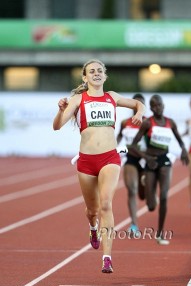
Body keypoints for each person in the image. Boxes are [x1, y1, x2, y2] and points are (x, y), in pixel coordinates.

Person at [53, 59, 145, 273]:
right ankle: (93, 227)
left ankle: (107, 257)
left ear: (105, 76)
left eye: (99, 71)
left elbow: (138, 104)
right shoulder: (78, 99)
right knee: (92, 210)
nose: (96, 74)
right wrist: (60, 110)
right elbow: (57, 126)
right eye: (91, 71)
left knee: (106, 204)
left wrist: (139, 113)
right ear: (85, 77)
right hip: (86, 161)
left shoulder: (112, 96)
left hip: (109, 158)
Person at [130, 94, 189, 245]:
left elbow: (180, 141)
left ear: (163, 105)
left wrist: (183, 150)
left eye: (159, 105)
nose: (157, 108)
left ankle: (160, 233)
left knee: (163, 196)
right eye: (154, 105)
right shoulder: (147, 124)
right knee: (151, 207)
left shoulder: (170, 123)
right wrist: (145, 157)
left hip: (164, 161)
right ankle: (147, 186)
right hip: (150, 161)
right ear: (150, 108)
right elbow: (133, 145)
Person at [117, 93, 146, 236]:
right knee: (132, 191)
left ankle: (145, 189)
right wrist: (111, 148)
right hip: (131, 158)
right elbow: (119, 136)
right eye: (136, 103)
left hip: (146, 159)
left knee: (142, 194)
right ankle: (134, 225)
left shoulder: (148, 122)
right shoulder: (124, 123)